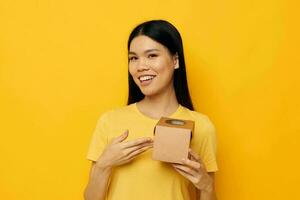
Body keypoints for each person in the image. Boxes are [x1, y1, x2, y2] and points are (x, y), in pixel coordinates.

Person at [84, 19, 218, 200]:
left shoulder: (201, 126)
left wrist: (207, 187)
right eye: (133, 58)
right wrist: (104, 165)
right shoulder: (110, 122)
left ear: (175, 60)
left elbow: (207, 193)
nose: (140, 66)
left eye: (152, 55)